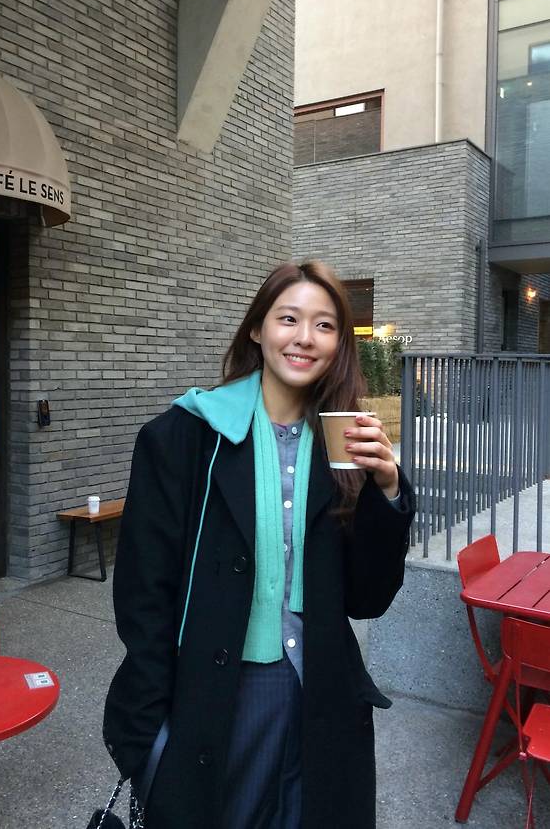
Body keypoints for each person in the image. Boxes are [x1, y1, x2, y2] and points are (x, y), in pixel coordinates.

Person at [103, 261, 415, 829]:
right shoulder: (185, 437)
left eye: (324, 325)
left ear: (339, 344)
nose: (304, 338)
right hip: (221, 692)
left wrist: (387, 489)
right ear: (257, 329)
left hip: (320, 692)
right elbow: (143, 594)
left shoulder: (341, 446)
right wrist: (149, 734)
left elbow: (366, 599)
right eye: (288, 319)